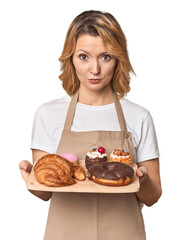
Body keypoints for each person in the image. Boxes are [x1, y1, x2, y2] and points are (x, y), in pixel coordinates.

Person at [19, 10, 162, 240]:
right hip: (65, 233)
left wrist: (142, 179)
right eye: (83, 56)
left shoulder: (139, 116)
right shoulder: (48, 114)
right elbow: (45, 192)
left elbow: (153, 196)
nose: (94, 69)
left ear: (118, 59)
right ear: (71, 58)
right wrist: (30, 180)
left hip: (123, 233)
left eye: (105, 56)